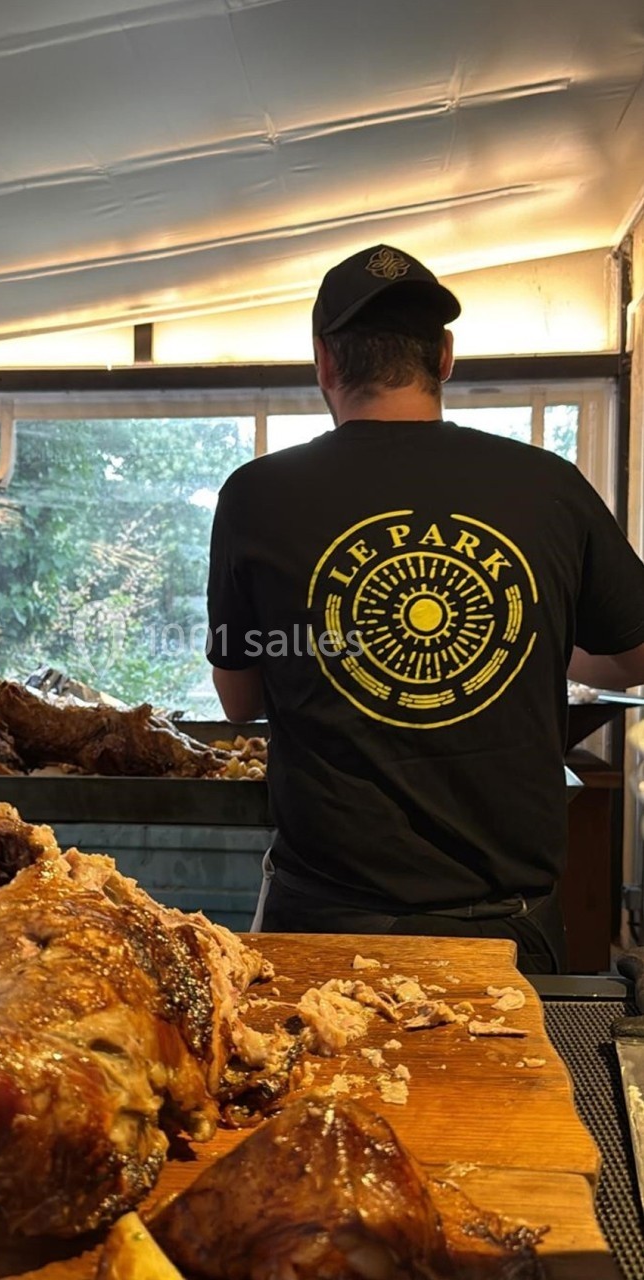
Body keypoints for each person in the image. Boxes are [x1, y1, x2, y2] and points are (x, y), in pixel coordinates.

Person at [205, 242, 644, 974]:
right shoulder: (548, 485)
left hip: (326, 920)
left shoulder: (256, 494)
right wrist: (521, 640)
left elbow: (239, 700)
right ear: (444, 357)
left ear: (324, 362)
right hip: (507, 930)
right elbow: (635, 657)